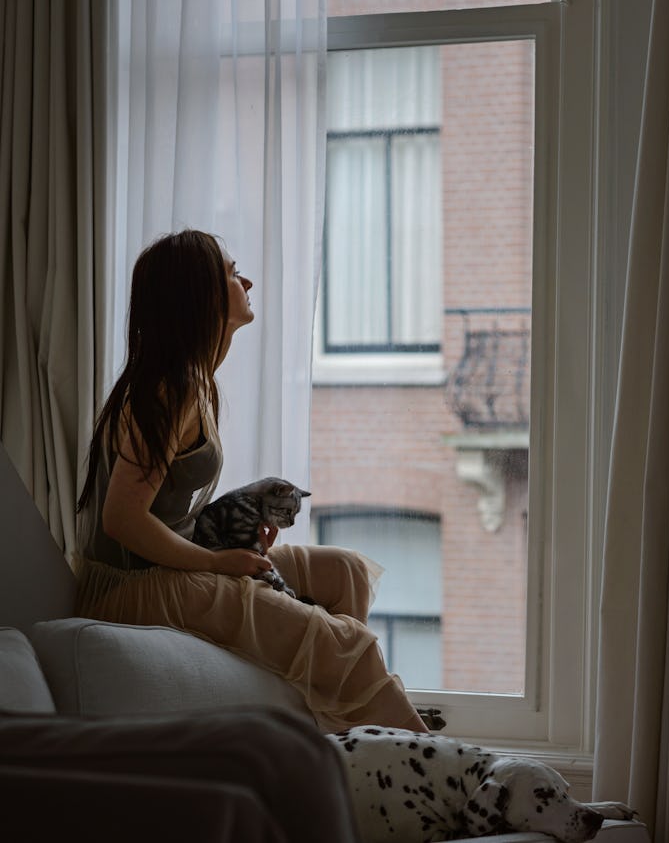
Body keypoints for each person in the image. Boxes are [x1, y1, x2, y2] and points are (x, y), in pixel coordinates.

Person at [75, 229, 428, 734]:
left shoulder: (196, 381)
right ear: (200, 295)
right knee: (345, 642)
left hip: (173, 563)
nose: (247, 282)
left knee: (344, 572)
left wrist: (234, 535)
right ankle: (436, 763)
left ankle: (343, 730)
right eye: (231, 272)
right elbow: (122, 519)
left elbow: (169, 508)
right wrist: (217, 562)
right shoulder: (171, 390)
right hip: (134, 588)